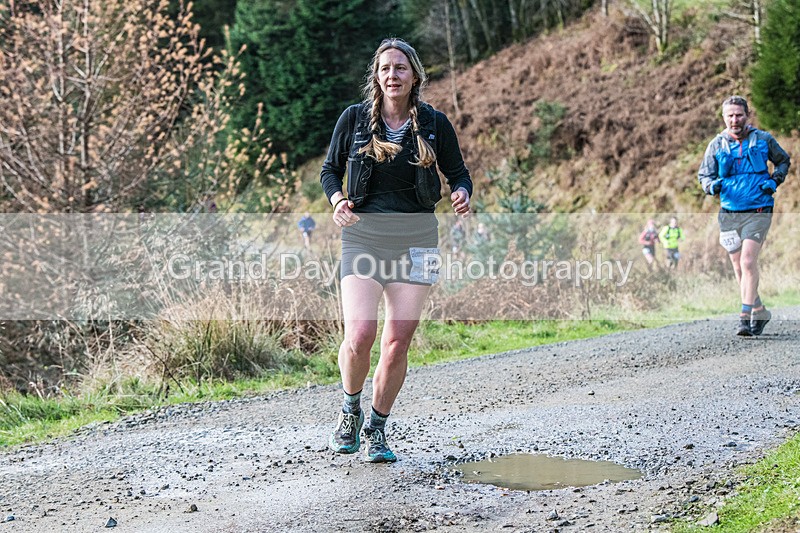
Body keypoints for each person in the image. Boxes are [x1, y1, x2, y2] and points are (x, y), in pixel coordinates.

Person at [320, 38, 472, 462]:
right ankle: (349, 408)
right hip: (364, 237)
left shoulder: (435, 123)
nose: (392, 75)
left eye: (400, 68)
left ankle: (377, 428)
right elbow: (330, 171)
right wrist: (337, 201)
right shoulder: (353, 119)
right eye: (385, 68)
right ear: (376, 76)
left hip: (418, 239)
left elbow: (458, 173)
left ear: (415, 75)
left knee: (396, 343)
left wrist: (461, 192)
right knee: (360, 335)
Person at [698, 95, 790, 336]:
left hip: (758, 208)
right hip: (729, 212)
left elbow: (783, 161)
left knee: (748, 261)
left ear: (747, 115)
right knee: (738, 267)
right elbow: (704, 176)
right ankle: (759, 309)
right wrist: (711, 187)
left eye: (739, 114)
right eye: (730, 115)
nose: (734, 119)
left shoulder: (763, 139)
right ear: (723, 118)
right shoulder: (716, 145)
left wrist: (774, 181)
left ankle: (744, 317)